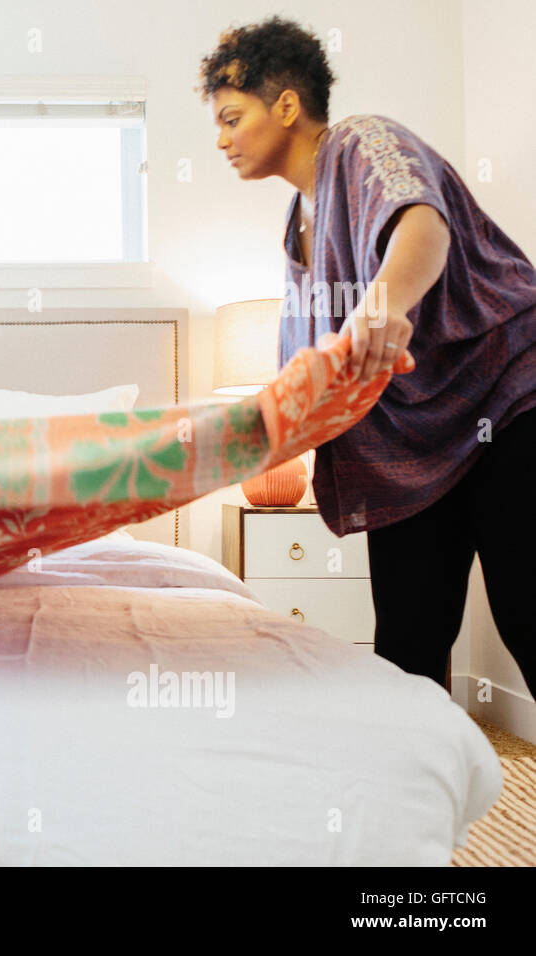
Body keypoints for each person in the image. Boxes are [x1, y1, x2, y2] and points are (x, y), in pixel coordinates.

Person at [199, 16, 536, 695]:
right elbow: (313, 373)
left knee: (528, 617)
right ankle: (423, 798)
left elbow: (420, 221)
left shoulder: (363, 142)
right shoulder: (297, 224)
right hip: (416, 454)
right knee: (406, 649)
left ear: (287, 105)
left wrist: (383, 304)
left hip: (505, 404)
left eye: (233, 118)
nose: (222, 138)